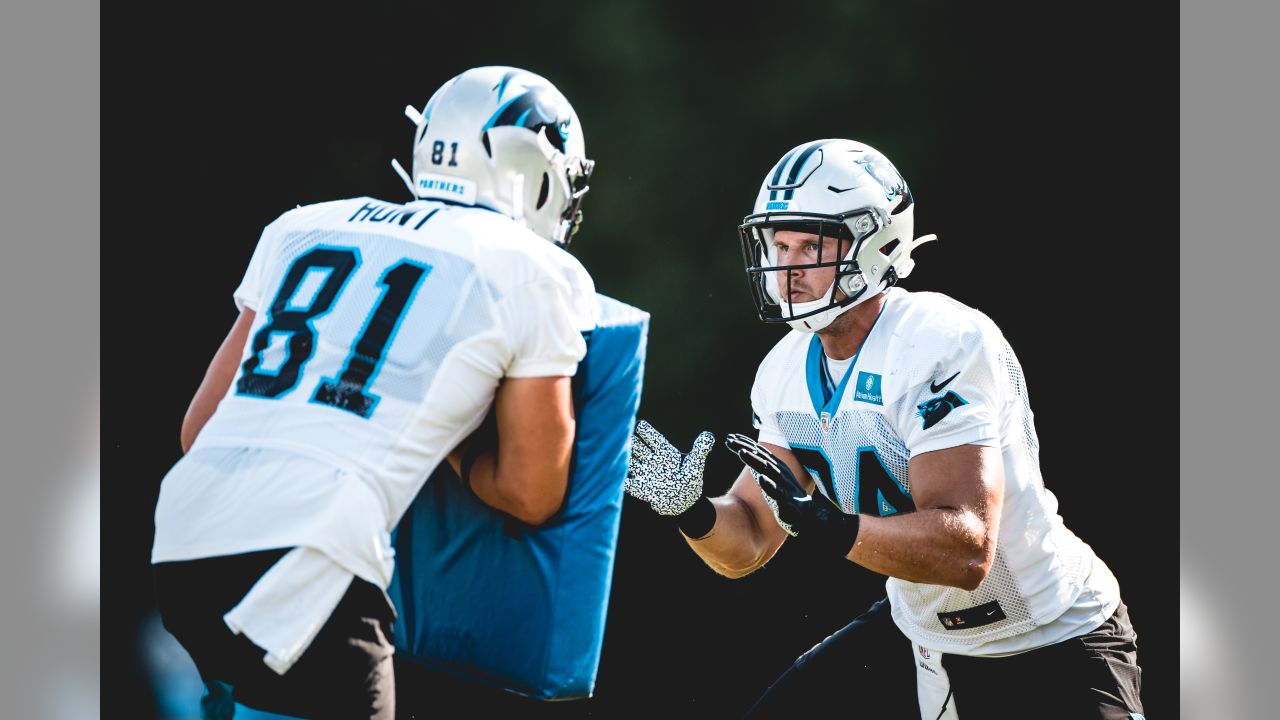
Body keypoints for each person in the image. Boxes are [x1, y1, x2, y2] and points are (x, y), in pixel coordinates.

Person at [623, 139, 1144, 719]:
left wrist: (827, 524)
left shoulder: (941, 341)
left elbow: (966, 551)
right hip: (928, 640)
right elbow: (745, 543)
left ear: (877, 243)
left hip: (1050, 638)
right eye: (779, 243)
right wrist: (692, 511)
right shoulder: (783, 372)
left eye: (810, 245)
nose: (787, 267)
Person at [150, 65, 598, 720]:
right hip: (311, 549)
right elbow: (533, 491)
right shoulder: (534, 269)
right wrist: (453, 449)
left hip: (186, 539)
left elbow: (201, 428)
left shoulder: (303, 226)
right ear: (531, 166)